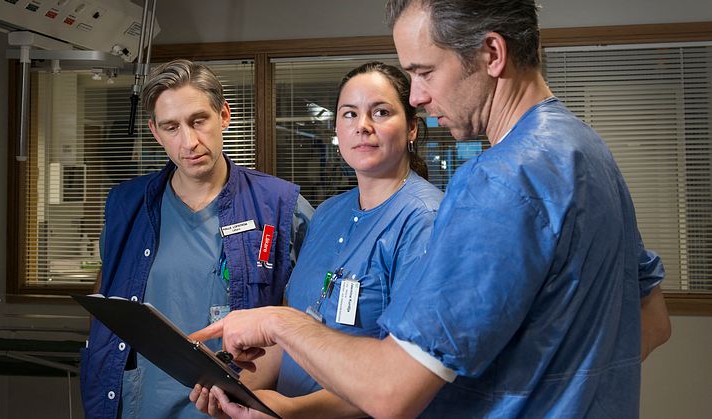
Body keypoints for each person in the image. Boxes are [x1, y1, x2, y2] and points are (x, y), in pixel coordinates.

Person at [189, 1, 672, 417]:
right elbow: (652, 324)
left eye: (424, 72)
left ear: (491, 54)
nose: (417, 94)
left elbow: (390, 392)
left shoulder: (499, 180)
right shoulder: (587, 150)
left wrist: (278, 322)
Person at [190, 61, 444, 418]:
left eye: (381, 112)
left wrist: (293, 411)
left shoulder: (424, 220)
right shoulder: (327, 214)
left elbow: (406, 379)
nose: (363, 127)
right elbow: (293, 333)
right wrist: (239, 390)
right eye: (350, 114)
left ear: (412, 128)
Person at [80, 59, 314, 419]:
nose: (189, 142)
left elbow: (308, 323)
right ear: (155, 132)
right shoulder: (127, 205)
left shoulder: (280, 206)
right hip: (137, 404)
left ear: (224, 115)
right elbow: (108, 296)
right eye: (171, 127)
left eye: (198, 120)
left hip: (234, 407)